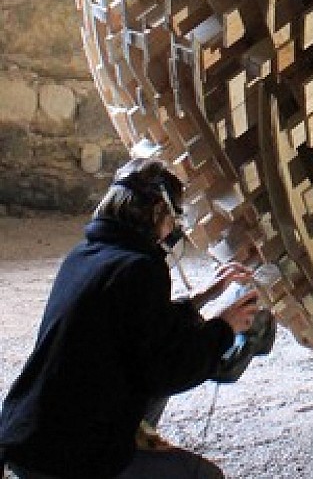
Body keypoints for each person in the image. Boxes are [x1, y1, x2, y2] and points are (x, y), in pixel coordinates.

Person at [0, 157, 262, 478]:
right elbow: (167, 369)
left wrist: (201, 298)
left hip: (24, 435)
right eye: (172, 216)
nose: (173, 228)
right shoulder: (141, 269)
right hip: (65, 459)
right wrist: (222, 327)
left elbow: (136, 326)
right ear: (156, 213)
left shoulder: (86, 255)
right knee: (205, 476)